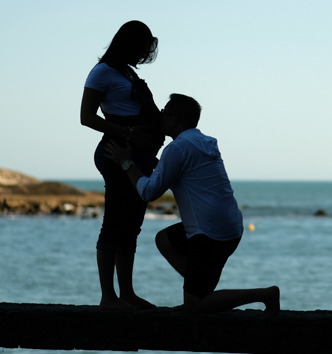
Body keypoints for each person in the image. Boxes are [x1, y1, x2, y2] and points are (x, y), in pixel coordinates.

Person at [105, 94, 280, 314]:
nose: (160, 114)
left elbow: (148, 192)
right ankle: (199, 288)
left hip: (208, 233)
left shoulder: (177, 149)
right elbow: (184, 176)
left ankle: (264, 294)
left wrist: (126, 162)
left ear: (175, 120)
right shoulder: (202, 142)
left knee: (194, 306)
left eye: (165, 111)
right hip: (230, 226)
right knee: (164, 240)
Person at [80, 21, 165, 309]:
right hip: (118, 150)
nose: (144, 55)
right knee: (114, 223)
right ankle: (108, 296)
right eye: (141, 48)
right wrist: (128, 133)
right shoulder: (102, 72)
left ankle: (127, 294)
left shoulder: (127, 72)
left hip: (138, 154)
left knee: (132, 226)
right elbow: (87, 117)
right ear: (129, 44)